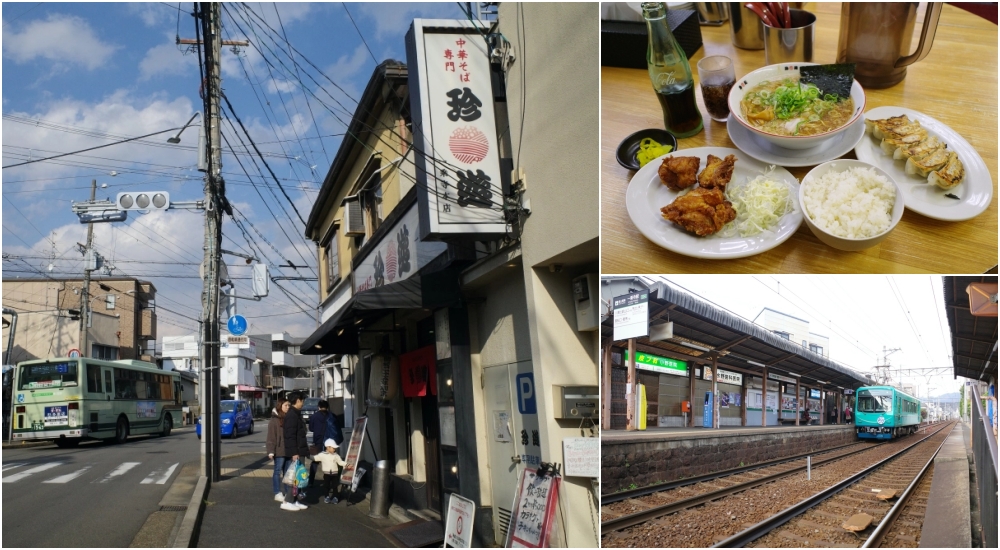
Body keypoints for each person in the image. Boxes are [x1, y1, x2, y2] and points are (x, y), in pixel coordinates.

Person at [280, 391, 310, 511]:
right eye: (302, 400)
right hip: (296, 450)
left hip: (299, 449)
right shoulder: (292, 415)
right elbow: (290, 435)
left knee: (299, 477)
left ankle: (295, 500)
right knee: (295, 477)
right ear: (298, 400)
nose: (303, 403)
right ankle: (287, 501)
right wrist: (294, 452)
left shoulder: (295, 414)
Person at [266, 397, 289, 502]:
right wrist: (271, 451)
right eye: (285, 405)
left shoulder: (288, 418)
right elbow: (271, 437)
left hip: (288, 449)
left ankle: (288, 493)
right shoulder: (274, 420)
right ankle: (277, 492)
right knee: (277, 471)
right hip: (279, 450)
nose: (288, 407)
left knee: (287, 472)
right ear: (280, 406)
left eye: (288, 405)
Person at [314, 438, 348, 504]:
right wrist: (307, 455)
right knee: (326, 486)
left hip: (335, 473)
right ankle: (327, 496)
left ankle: (335, 497)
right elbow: (315, 458)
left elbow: (340, 462)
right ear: (328, 447)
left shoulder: (336, 455)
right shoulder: (322, 455)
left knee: (335, 486)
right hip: (326, 473)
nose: (334, 449)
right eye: (333, 448)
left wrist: (346, 464)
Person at [308, 400, 330, 484]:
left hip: (318, 441)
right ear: (327, 407)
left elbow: (311, 428)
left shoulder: (314, 416)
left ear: (319, 407)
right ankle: (328, 482)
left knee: (315, 461)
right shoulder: (331, 416)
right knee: (329, 461)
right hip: (329, 442)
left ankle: (311, 481)